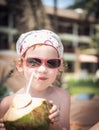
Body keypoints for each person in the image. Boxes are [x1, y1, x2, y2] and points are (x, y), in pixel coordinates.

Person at [0, 29, 70, 130]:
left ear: (59, 67)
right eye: (34, 62)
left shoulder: (62, 97)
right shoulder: (7, 103)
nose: (42, 70)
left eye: (51, 63)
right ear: (20, 65)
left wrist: (56, 125)